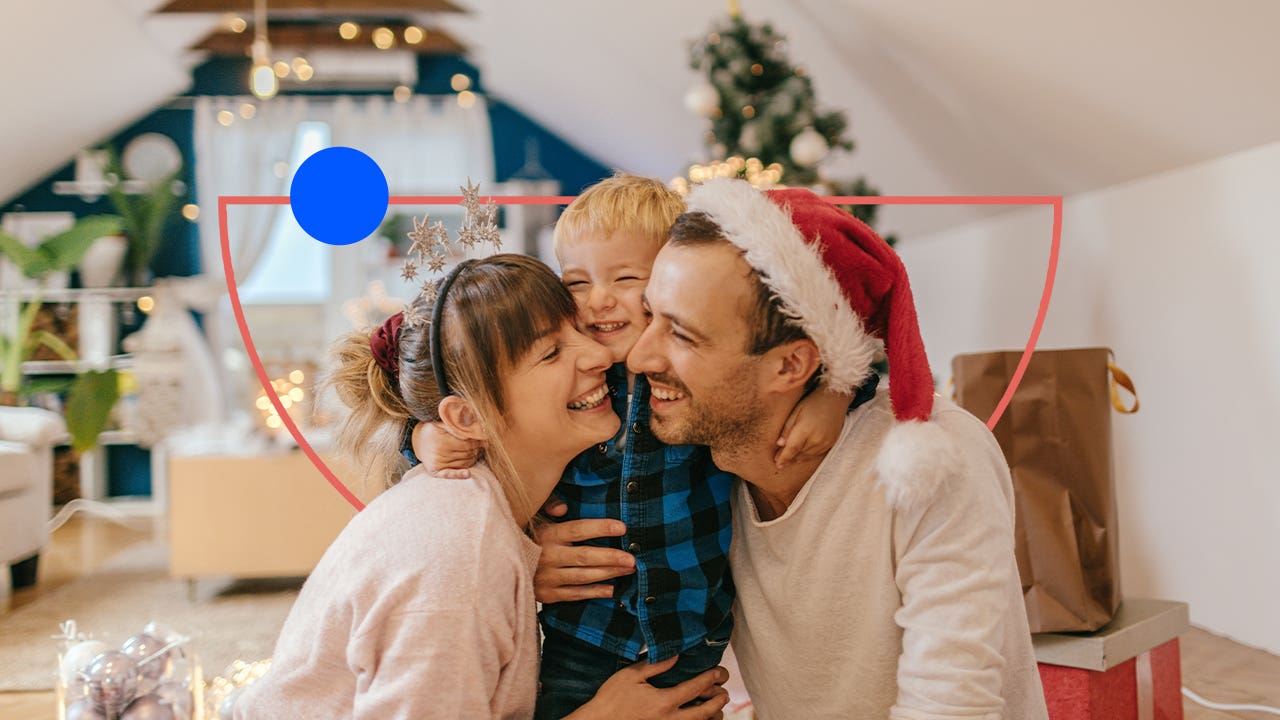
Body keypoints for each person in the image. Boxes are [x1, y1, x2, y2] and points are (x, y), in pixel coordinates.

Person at [410, 175, 851, 719]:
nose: (598, 301)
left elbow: (825, 359)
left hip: (693, 645)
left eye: (625, 278)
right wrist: (427, 436)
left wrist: (832, 394)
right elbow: (490, 438)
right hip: (582, 646)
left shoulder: (700, 378)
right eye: (575, 283)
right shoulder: (575, 389)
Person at [618, 179, 1050, 719]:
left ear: (792, 365)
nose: (639, 356)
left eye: (681, 334)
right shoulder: (693, 462)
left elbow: (949, 706)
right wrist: (537, 555)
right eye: (648, 314)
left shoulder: (933, 459)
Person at [234, 254, 730, 719]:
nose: (601, 354)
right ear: (468, 417)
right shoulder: (460, 554)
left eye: (579, 331)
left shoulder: (478, 511)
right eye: (552, 352)